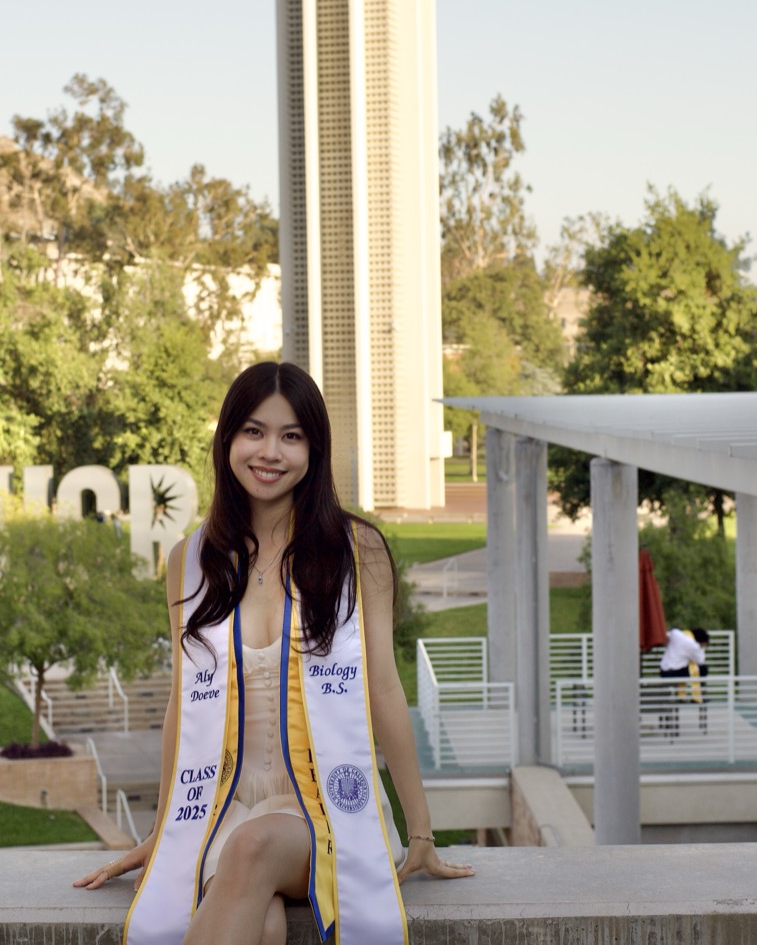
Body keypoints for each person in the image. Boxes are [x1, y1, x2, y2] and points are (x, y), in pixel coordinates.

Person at [73, 362, 472, 943]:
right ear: (228, 439)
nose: (270, 452)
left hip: (327, 807)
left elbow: (383, 687)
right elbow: (183, 706)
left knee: (251, 849)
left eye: (292, 436)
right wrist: (164, 830)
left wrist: (421, 834)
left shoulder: (356, 552)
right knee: (258, 922)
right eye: (254, 432)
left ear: (314, 450)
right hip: (221, 807)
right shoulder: (191, 560)